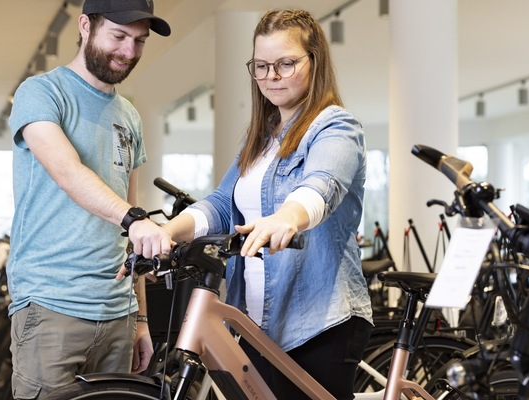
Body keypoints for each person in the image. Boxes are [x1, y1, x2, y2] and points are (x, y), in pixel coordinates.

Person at [156, 8, 373, 399]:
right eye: (261, 66)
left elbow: (321, 185)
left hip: (317, 322)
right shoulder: (260, 139)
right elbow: (223, 204)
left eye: (286, 64)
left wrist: (288, 217)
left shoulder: (335, 126)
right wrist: (167, 233)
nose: (271, 77)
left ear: (314, 61)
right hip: (256, 322)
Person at [6, 1, 172, 398]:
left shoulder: (129, 115)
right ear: (85, 26)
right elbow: (68, 173)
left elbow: (132, 232)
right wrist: (134, 219)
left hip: (118, 315)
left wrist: (142, 317)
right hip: (51, 305)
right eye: (118, 36)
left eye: (139, 42)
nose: (129, 52)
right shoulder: (41, 92)